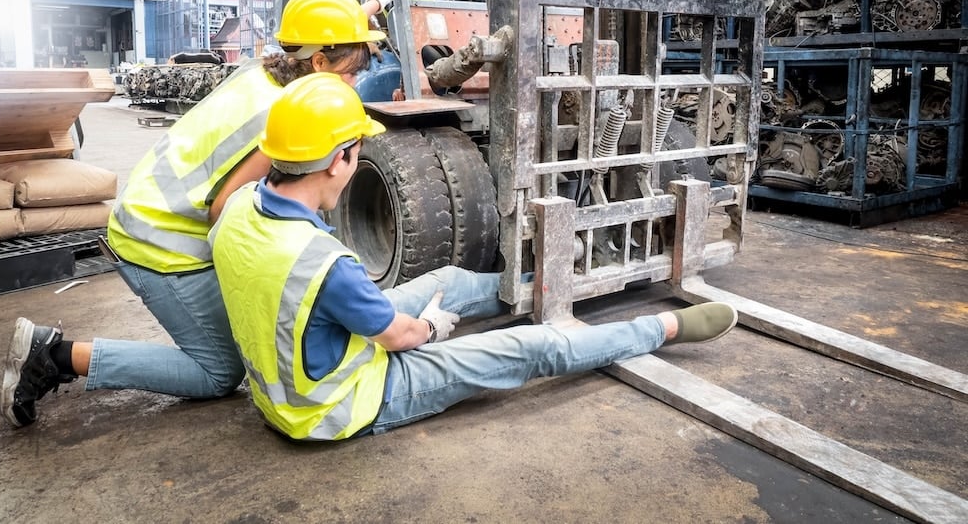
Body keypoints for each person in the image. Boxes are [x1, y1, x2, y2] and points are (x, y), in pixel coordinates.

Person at [209, 72, 739, 441]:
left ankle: (556, 283)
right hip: (339, 405)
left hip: (299, 372)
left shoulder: (234, 210)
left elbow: (313, 294)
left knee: (450, 280)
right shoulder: (325, 263)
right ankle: (663, 328)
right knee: (530, 348)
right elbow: (401, 337)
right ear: (341, 157)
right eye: (356, 154)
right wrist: (433, 328)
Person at [0, 0, 412, 429]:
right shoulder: (277, 119)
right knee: (220, 372)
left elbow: (326, 36)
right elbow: (228, 213)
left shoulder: (267, 72)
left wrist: (374, 2)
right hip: (158, 241)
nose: (355, 83)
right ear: (319, 65)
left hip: (152, 208)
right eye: (354, 72)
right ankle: (53, 356)